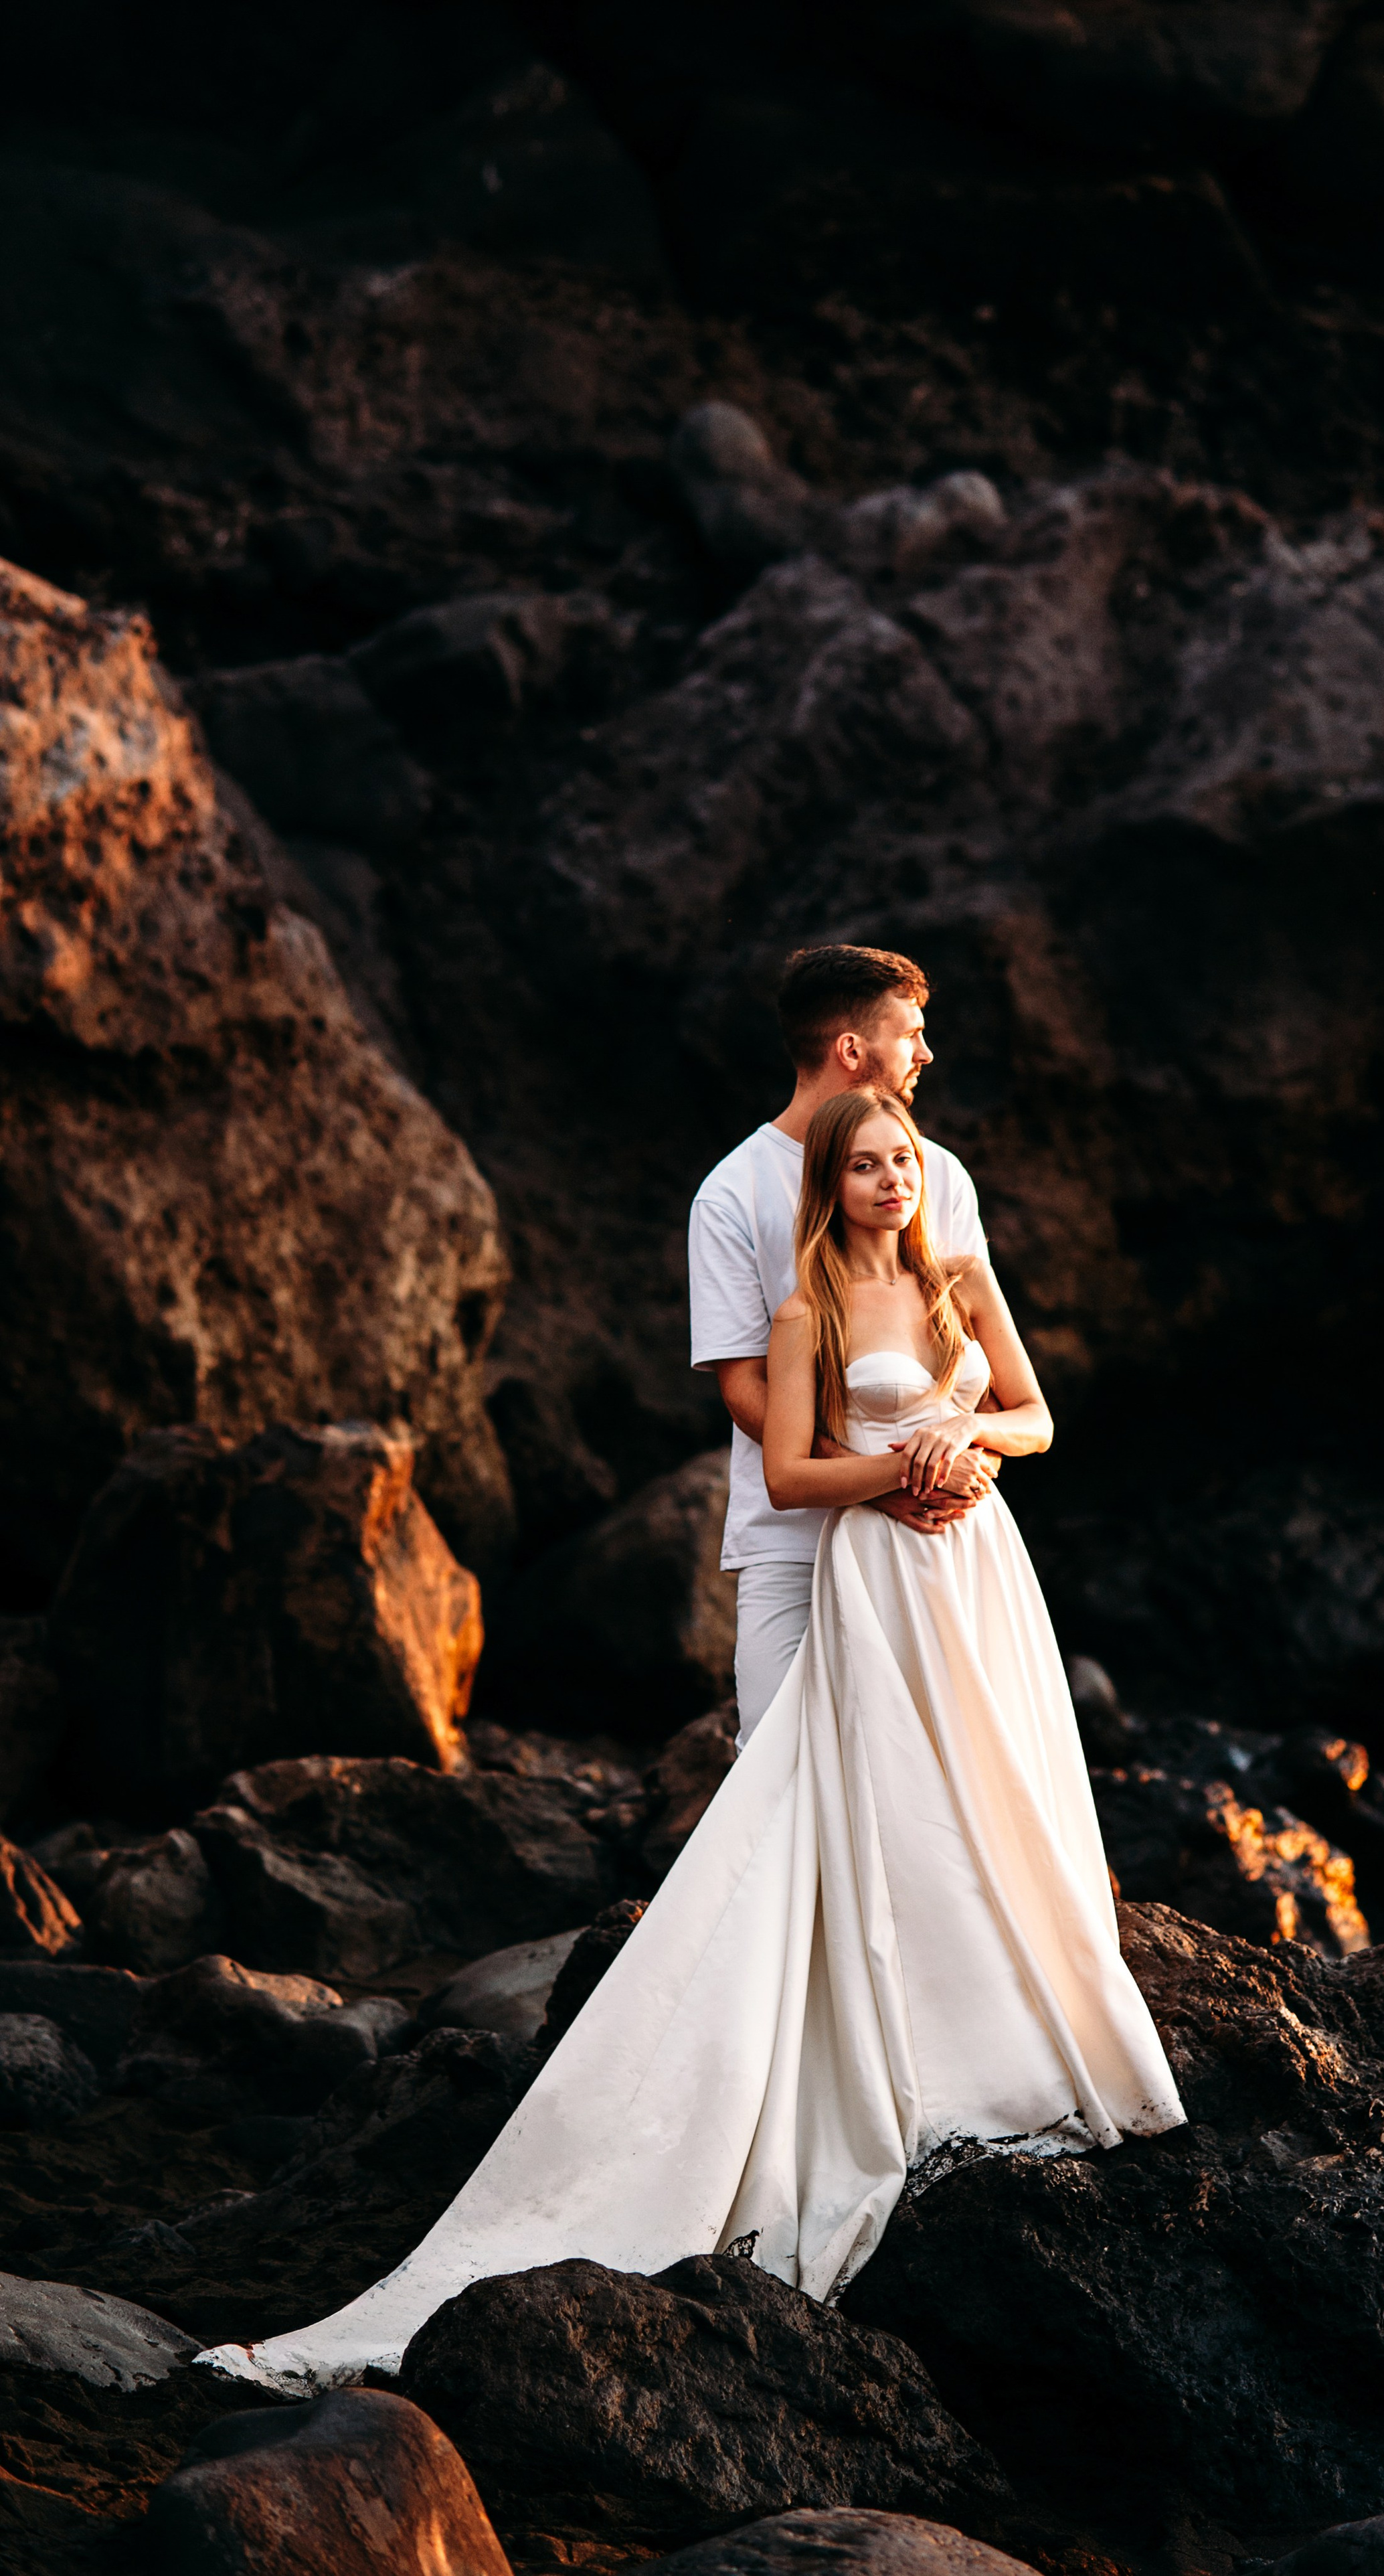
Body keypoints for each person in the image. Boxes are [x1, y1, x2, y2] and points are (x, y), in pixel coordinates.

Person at [195, 1085, 1185, 2395]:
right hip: (879, 1565)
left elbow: (1033, 1415)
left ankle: (1018, 2021)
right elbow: (785, 1475)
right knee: (892, 1805)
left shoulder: (957, 1278)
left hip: (977, 1568)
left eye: (908, 1160)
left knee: (994, 1794)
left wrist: (966, 1444)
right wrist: (900, 1470)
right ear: (831, 1184)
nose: (899, 1178)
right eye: (872, 1164)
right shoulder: (804, 1313)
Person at [689, 944, 997, 1749]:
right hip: (790, 1540)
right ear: (852, 1050)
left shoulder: (938, 1175)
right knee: (782, 1763)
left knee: (929, 1775)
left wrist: (964, 1458)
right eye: (911, 1033)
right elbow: (744, 1384)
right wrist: (868, 1481)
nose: (926, 1052)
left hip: (934, 1536)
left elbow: (975, 1374)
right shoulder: (733, 1191)